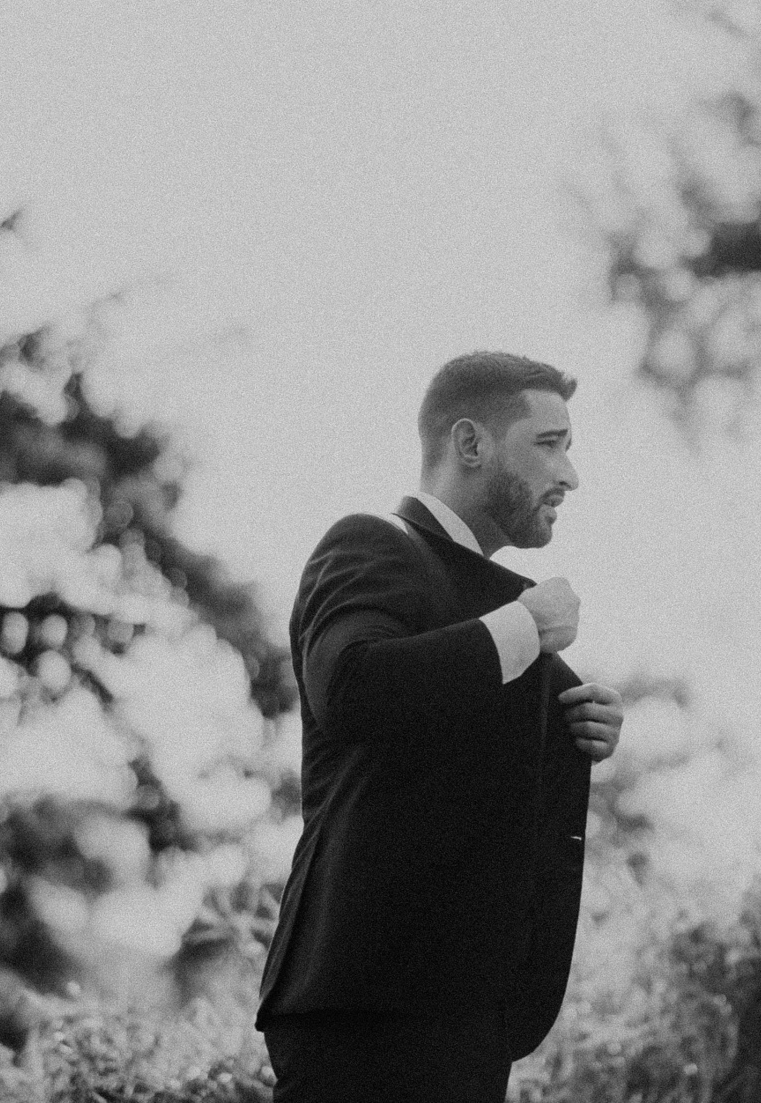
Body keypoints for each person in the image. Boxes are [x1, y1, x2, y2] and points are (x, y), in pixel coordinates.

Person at [255, 351, 624, 1103]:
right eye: (549, 444)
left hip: (466, 1024)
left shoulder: (498, 605)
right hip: (364, 1014)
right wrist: (524, 627)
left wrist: (576, 721)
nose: (570, 475)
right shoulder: (369, 543)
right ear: (470, 443)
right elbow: (352, 688)